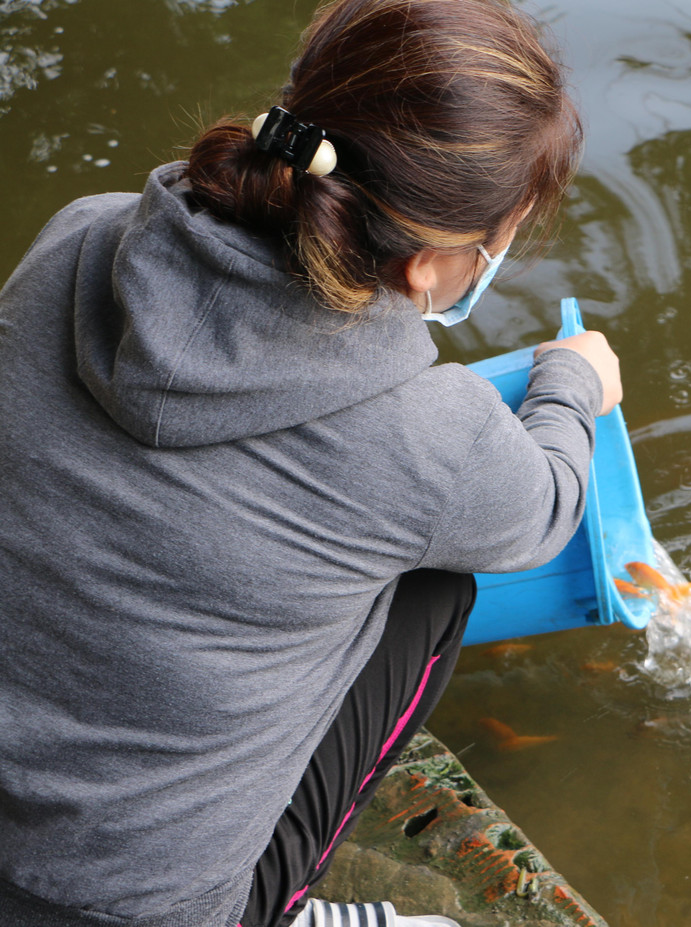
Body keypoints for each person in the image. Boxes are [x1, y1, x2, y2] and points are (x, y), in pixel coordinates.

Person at [0, 1, 618, 926]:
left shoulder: (82, 237)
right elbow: (552, 507)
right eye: (498, 242)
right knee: (434, 588)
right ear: (427, 266)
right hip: (131, 905)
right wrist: (572, 382)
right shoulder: (430, 440)